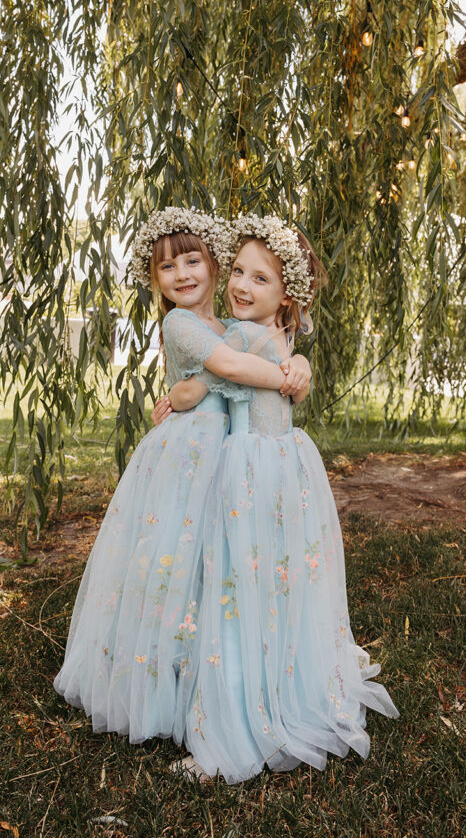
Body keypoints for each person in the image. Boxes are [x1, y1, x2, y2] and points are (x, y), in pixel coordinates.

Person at [53, 207, 311, 749]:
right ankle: (164, 674)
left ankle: (208, 667)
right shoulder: (180, 323)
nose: (184, 275)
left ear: (214, 265)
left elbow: (251, 350)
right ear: (156, 281)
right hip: (187, 457)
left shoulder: (234, 325)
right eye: (168, 268)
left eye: (193, 261)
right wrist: (286, 376)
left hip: (228, 458)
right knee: (173, 556)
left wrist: (300, 365)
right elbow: (235, 369)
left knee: (213, 564)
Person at [154, 214, 399, 783]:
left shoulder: (244, 335)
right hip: (286, 467)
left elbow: (204, 383)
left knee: (237, 587)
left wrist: (180, 392)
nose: (240, 285)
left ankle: (232, 732)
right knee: (279, 580)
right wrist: (294, 371)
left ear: (286, 295)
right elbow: (240, 372)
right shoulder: (277, 340)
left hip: (251, 475)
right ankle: (283, 678)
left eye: (258, 279)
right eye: (237, 271)